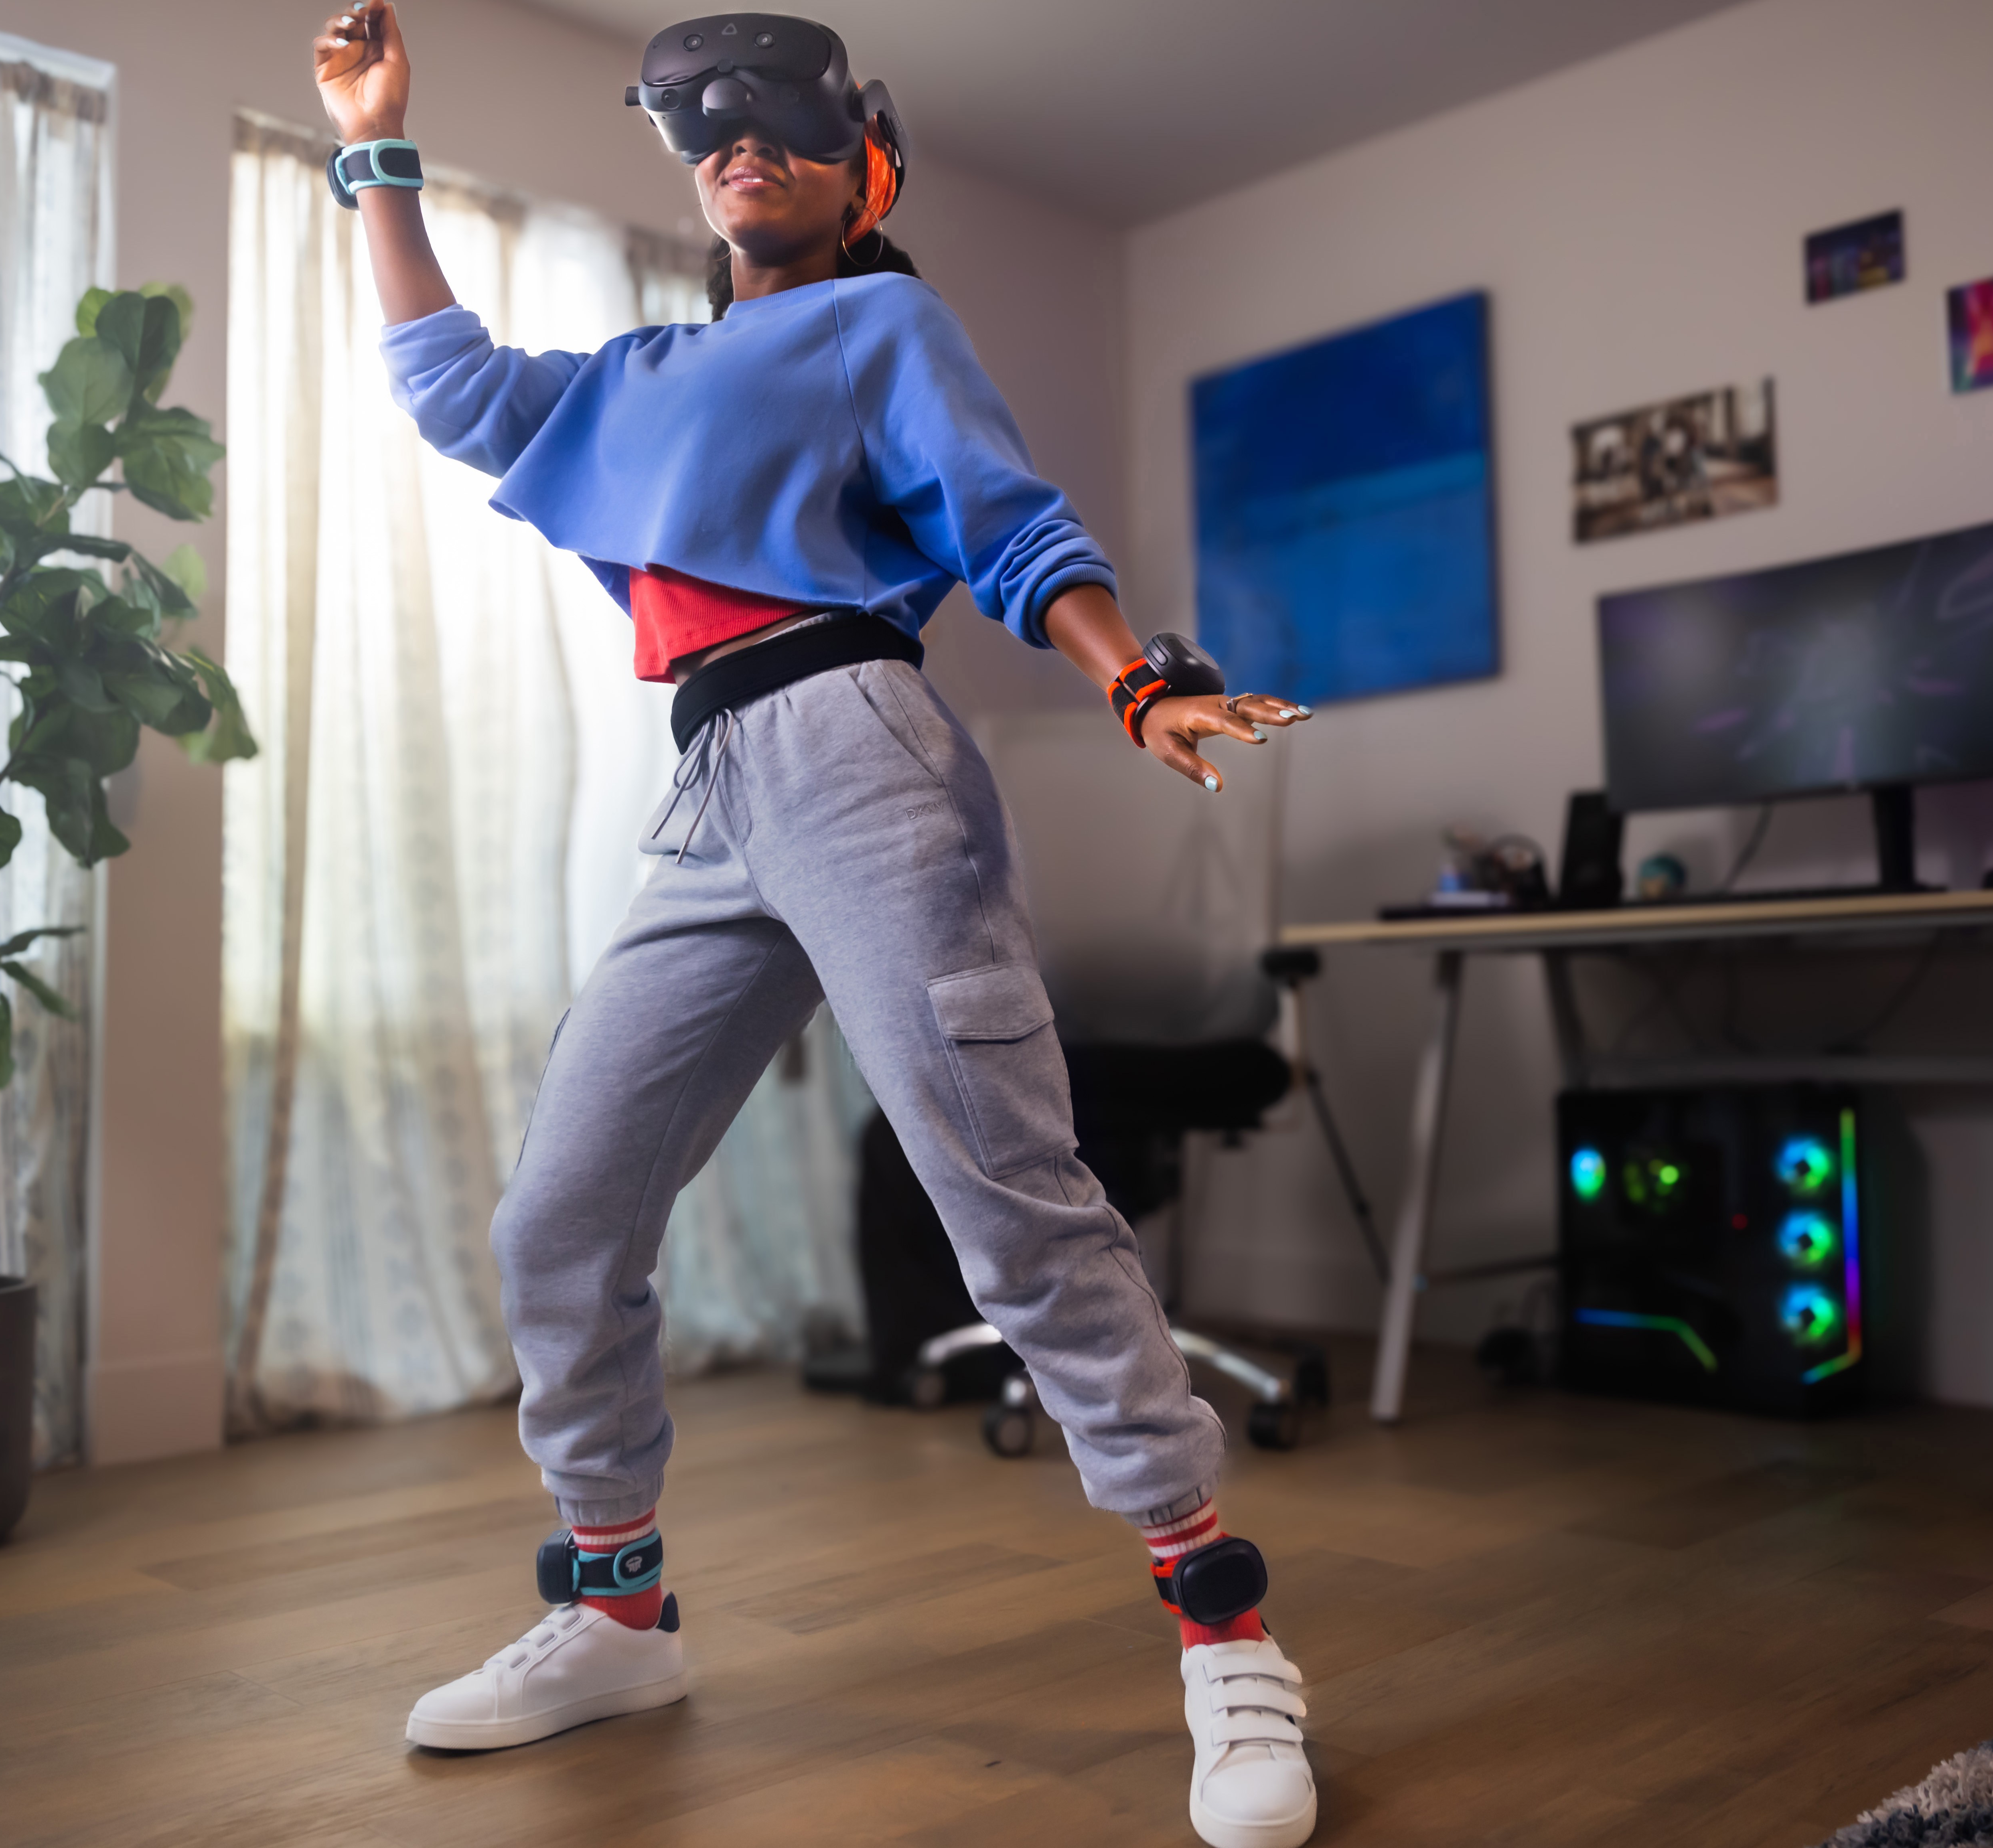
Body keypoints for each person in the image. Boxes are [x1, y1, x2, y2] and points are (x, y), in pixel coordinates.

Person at [308, 9, 1320, 1848]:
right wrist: (376, 147)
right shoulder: (632, 380)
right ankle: (611, 1608)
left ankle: (1222, 1623)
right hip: (704, 797)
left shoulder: (882, 324)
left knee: (1004, 1201)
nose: (736, 151)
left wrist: (1137, 684)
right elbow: (451, 385)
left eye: (779, 129)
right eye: (706, 137)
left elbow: (1010, 530)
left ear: (871, 173)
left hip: (858, 751)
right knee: (562, 1212)